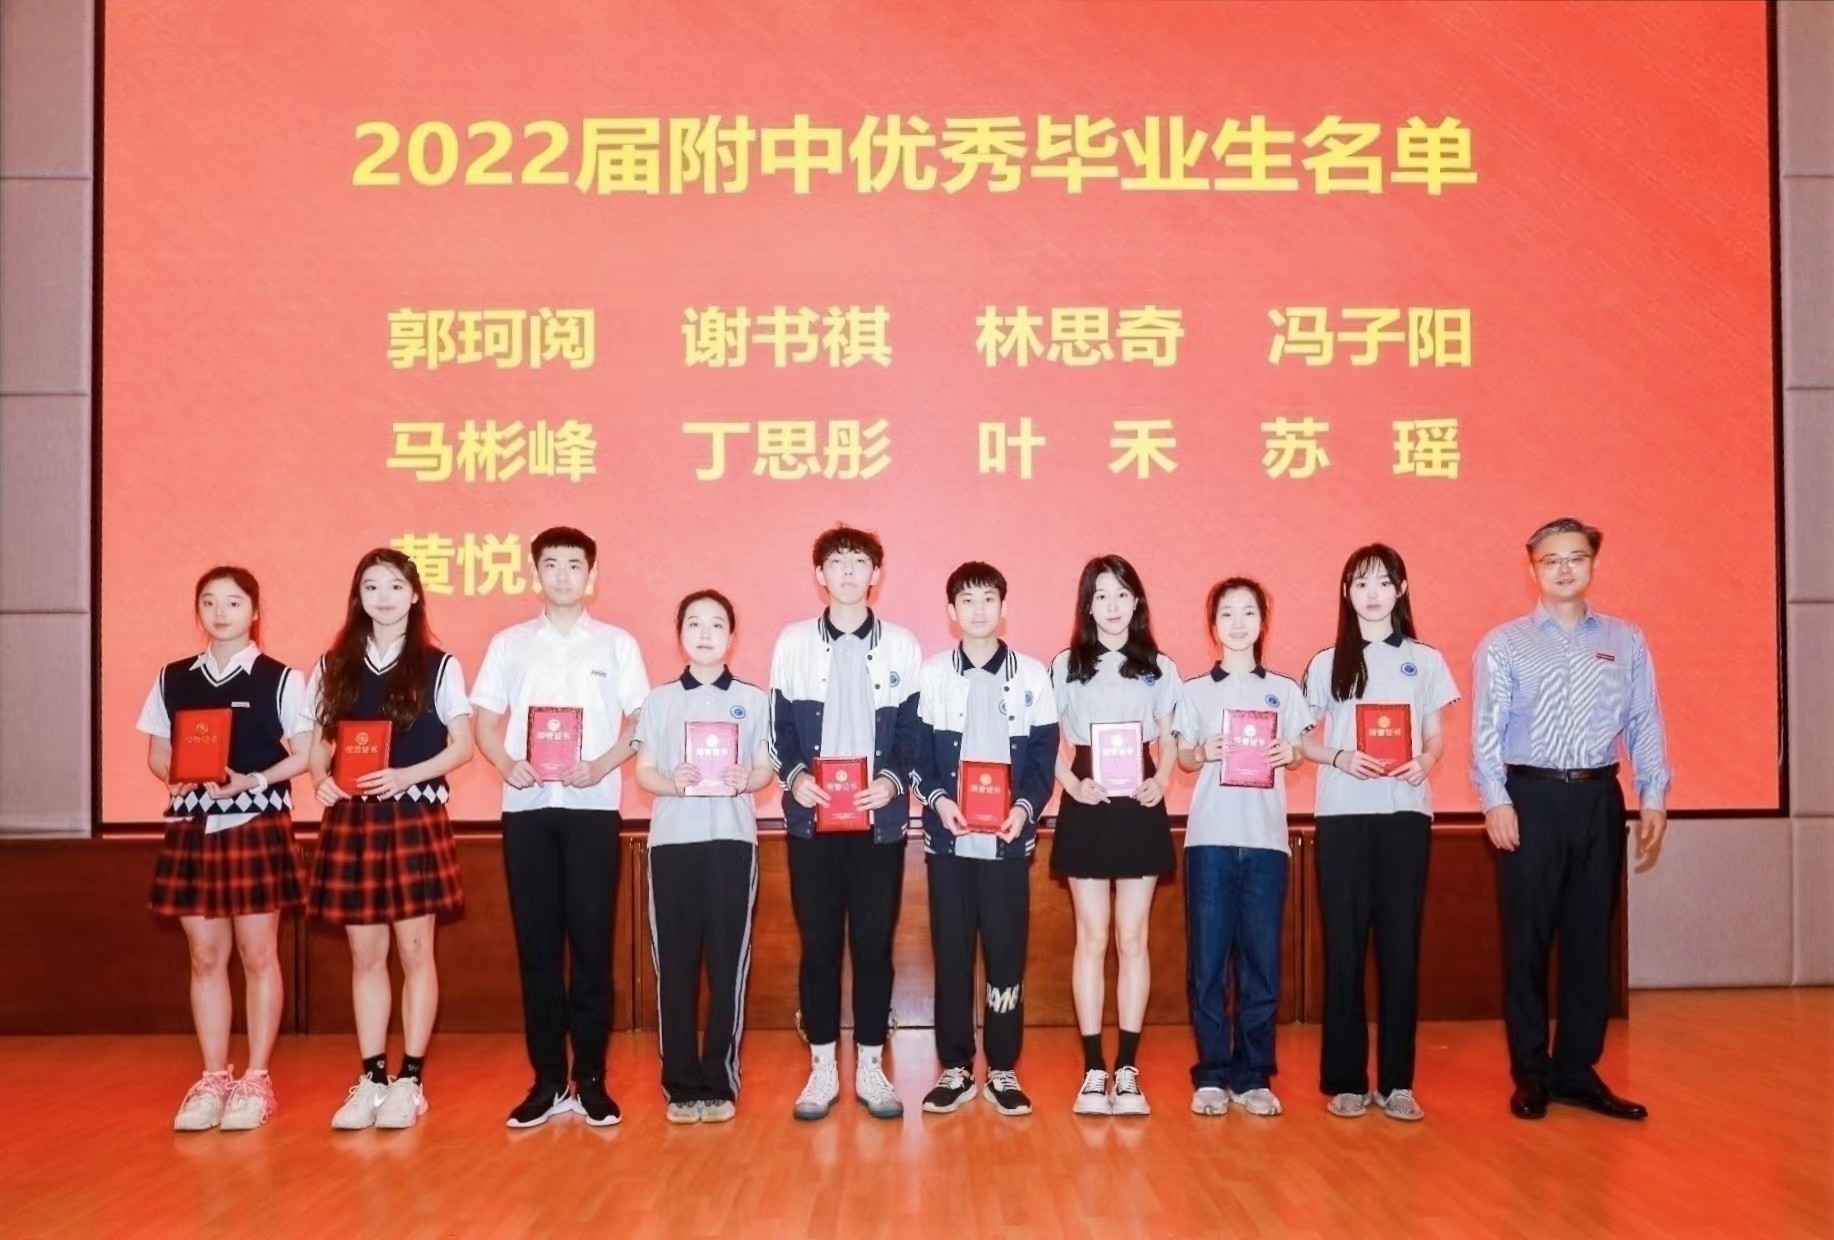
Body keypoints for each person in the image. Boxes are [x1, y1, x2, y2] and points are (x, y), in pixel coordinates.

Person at [1472, 517, 1669, 1122]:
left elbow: (1644, 719)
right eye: (1551, 560)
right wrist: (1495, 800)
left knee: (1590, 941)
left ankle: (1578, 1072)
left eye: (1575, 558)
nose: (1564, 569)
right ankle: (1532, 1074)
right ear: (1532, 567)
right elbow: (1486, 729)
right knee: (1527, 942)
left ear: (1593, 565)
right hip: (1530, 799)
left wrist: (1654, 793)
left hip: (1597, 798)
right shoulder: (1504, 643)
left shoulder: (1625, 640)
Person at [471, 527, 650, 1128]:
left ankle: (591, 1079)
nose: (564, 575)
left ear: (591, 575)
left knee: (593, 949)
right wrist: (506, 764)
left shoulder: (616, 645)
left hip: (592, 807)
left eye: (575, 565)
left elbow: (641, 721)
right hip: (527, 810)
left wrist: (600, 764)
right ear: (535, 573)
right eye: (552, 564)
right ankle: (547, 1080)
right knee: (538, 949)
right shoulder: (509, 644)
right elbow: (484, 721)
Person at [137, 566, 311, 1131]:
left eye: (233, 602)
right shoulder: (173, 678)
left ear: (254, 611)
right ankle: (213, 1077)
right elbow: (159, 753)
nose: (220, 612)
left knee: (258, 955)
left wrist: (253, 781)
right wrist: (174, 777)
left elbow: (308, 753)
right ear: (198, 611)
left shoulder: (282, 678)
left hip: (255, 821)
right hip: (193, 825)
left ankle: (256, 1079)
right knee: (204, 957)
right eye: (209, 602)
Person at [305, 548, 473, 1130]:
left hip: (412, 813)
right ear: (358, 597)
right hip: (353, 820)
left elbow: (462, 747)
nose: (383, 597)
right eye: (371, 586)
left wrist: (406, 775)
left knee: (416, 951)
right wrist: (321, 779)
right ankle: (372, 1077)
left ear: (415, 594)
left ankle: (411, 1080)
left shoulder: (439, 665)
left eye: (395, 586)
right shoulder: (333, 665)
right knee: (365, 955)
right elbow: (318, 742)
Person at [1300, 544, 1460, 1122]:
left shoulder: (1426, 659)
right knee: (1343, 950)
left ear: (1401, 589)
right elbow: (1301, 740)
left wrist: (1426, 761)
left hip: (1405, 815)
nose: (1372, 593)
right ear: (1347, 593)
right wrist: (1339, 756)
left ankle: (1398, 1083)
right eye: (1360, 583)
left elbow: (1435, 736)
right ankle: (1346, 1080)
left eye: (1383, 582)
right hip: (1342, 816)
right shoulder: (1326, 662)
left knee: (1400, 948)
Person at [768, 524, 922, 1121]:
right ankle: (822, 1068)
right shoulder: (793, 643)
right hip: (812, 823)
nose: (849, 571)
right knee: (819, 946)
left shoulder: (902, 646)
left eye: (860, 561)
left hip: (878, 823)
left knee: (874, 946)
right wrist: (795, 777)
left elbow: (912, 733)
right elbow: (778, 729)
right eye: (837, 561)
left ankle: (872, 1066)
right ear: (820, 574)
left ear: (876, 574)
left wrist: (892, 781)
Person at [910, 562, 1059, 1117]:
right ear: (951, 612)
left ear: (1004, 607)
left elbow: (1043, 760)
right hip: (948, 843)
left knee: (1005, 954)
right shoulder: (931, 675)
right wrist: (939, 801)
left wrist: (1024, 809)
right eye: (967, 600)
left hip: (1008, 844)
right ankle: (955, 1068)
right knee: (951, 956)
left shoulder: (1033, 676)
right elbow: (915, 755)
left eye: (988, 599)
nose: (978, 610)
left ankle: (1001, 1068)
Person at [631, 590, 774, 1124]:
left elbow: (765, 769)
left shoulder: (754, 700)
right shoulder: (659, 701)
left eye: (717, 624)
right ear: (680, 635)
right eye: (694, 623)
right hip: (672, 844)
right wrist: (673, 781)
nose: (706, 633)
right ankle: (680, 1084)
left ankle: (720, 1081)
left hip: (733, 844)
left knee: (727, 964)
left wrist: (746, 779)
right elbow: (644, 771)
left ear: (732, 636)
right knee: (675, 965)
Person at [1050, 554, 1182, 1117]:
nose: (1111, 605)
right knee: (1091, 937)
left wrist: (1163, 779)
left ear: (1136, 602)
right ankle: (1092, 1071)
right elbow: (1044, 742)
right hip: (1088, 802)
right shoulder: (1065, 665)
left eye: (1121, 594)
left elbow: (1169, 737)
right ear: (1087, 604)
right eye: (1100, 595)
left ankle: (1127, 1069)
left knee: (1132, 938)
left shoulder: (1159, 666)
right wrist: (1072, 786)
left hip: (1139, 804)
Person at [1174, 577, 1310, 1118]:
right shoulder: (1194, 691)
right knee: (1207, 964)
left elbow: (1298, 752)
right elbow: (1184, 758)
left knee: (1261, 964)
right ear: (1213, 626)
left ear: (1262, 622)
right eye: (1226, 613)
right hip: (1209, 839)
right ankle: (1211, 1073)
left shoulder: (1285, 690)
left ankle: (1254, 1076)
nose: (1237, 623)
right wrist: (1202, 751)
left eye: (1248, 612)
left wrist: (1289, 753)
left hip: (1266, 842)